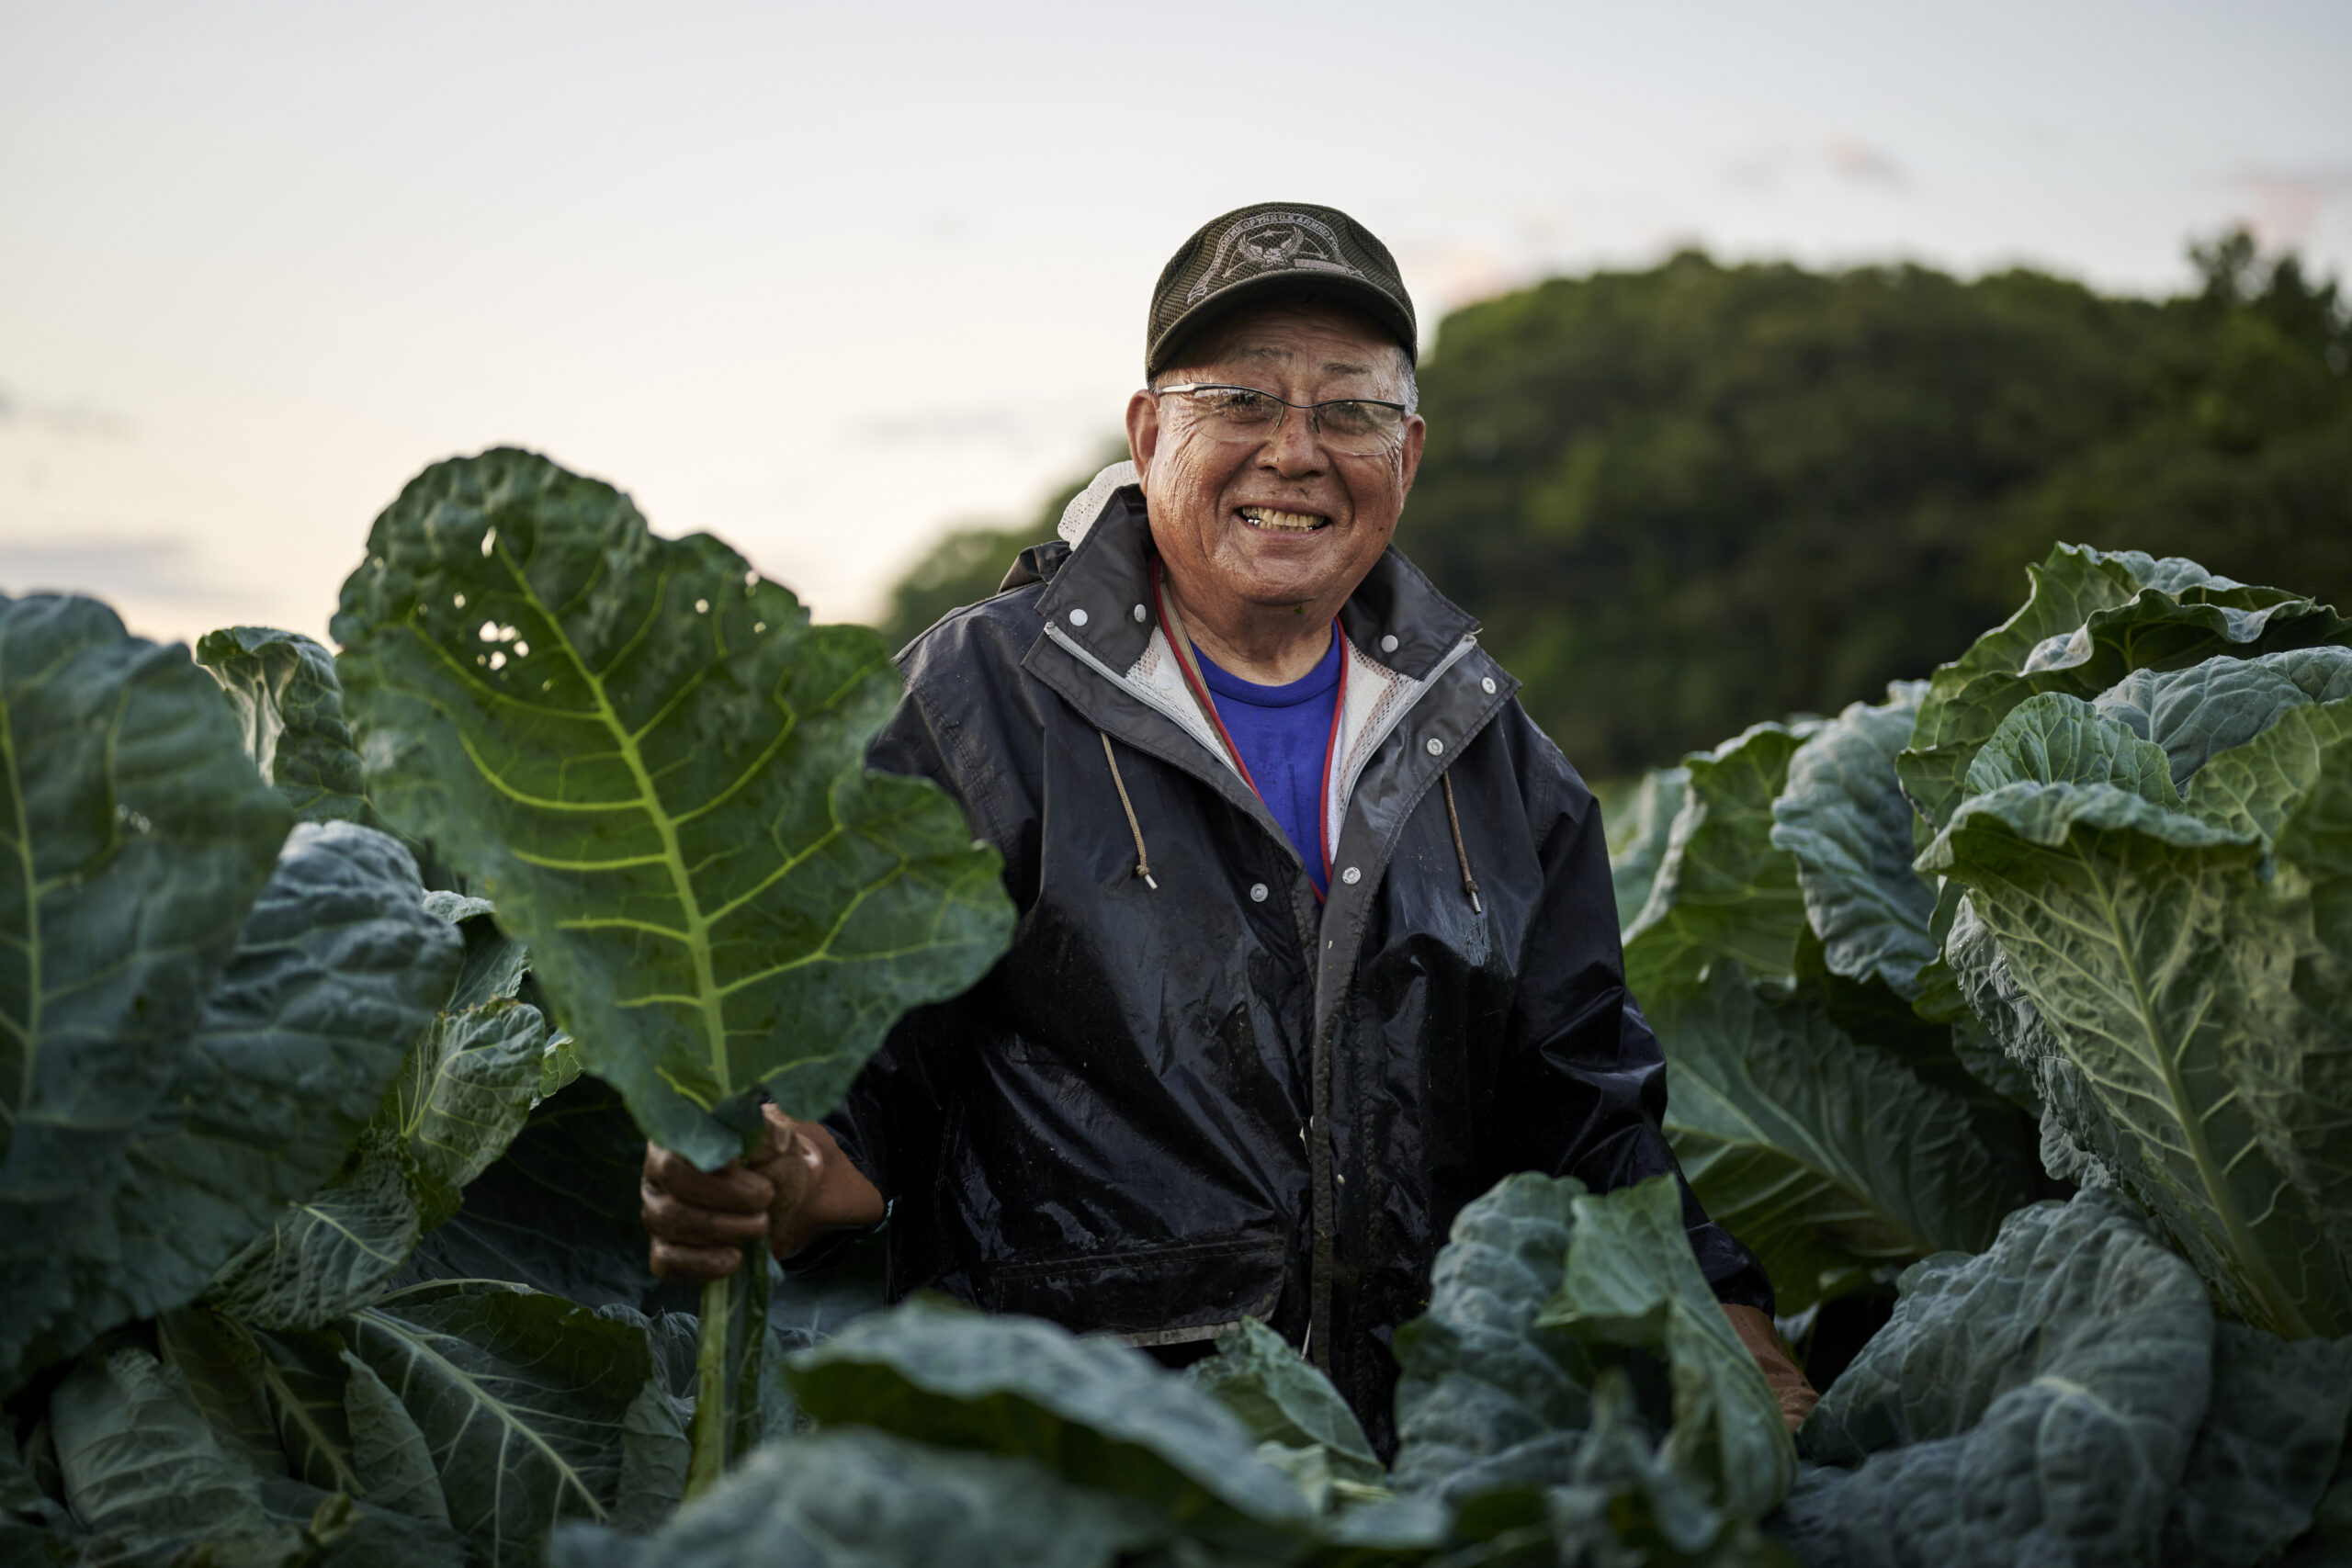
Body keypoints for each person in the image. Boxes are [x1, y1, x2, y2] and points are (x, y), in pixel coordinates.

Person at [640, 201, 1815, 1449]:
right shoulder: (975, 703)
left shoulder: (1494, 751)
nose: (1294, 451)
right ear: (1150, 433)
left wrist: (1738, 1332)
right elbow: (851, 1077)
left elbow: (1588, 1106)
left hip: (1424, 1473)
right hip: (1074, 1474)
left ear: (1408, 455)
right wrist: (769, 1170)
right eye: (1241, 401)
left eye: (1349, 410)